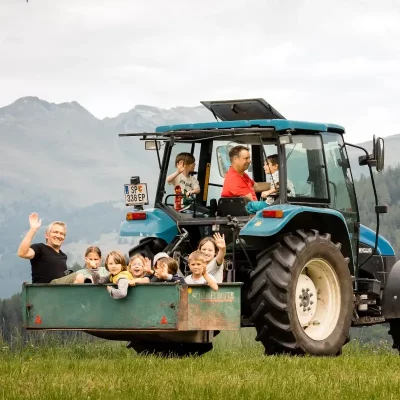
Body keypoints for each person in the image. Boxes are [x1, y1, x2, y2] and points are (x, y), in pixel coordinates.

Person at [17, 213, 68, 283]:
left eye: (62, 234)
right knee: (79, 276)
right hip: (43, 291)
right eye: (55, 232)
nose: (59, 236)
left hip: (60, 291)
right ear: (46, 235)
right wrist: (33, 229)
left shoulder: (63, 256)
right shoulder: (40, 248)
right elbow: (22, 253)